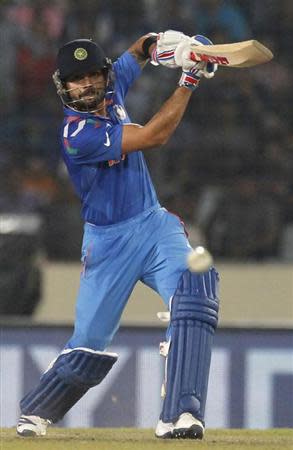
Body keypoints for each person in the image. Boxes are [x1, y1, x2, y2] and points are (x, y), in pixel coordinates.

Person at [16, 30, 219, 440]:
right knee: (89, 343)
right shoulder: (77, 135)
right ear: (64, 86)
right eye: (76, 79)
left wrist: (165, 45)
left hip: (154, 224)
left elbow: (136, 50)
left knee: (196, 290)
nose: (87, 84)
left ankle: (181, 413)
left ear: (105, 76)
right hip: (108, 242)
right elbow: (153, 137)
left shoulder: (113, 89)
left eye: (93, 74)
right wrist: (189, 77)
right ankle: (37, 411)